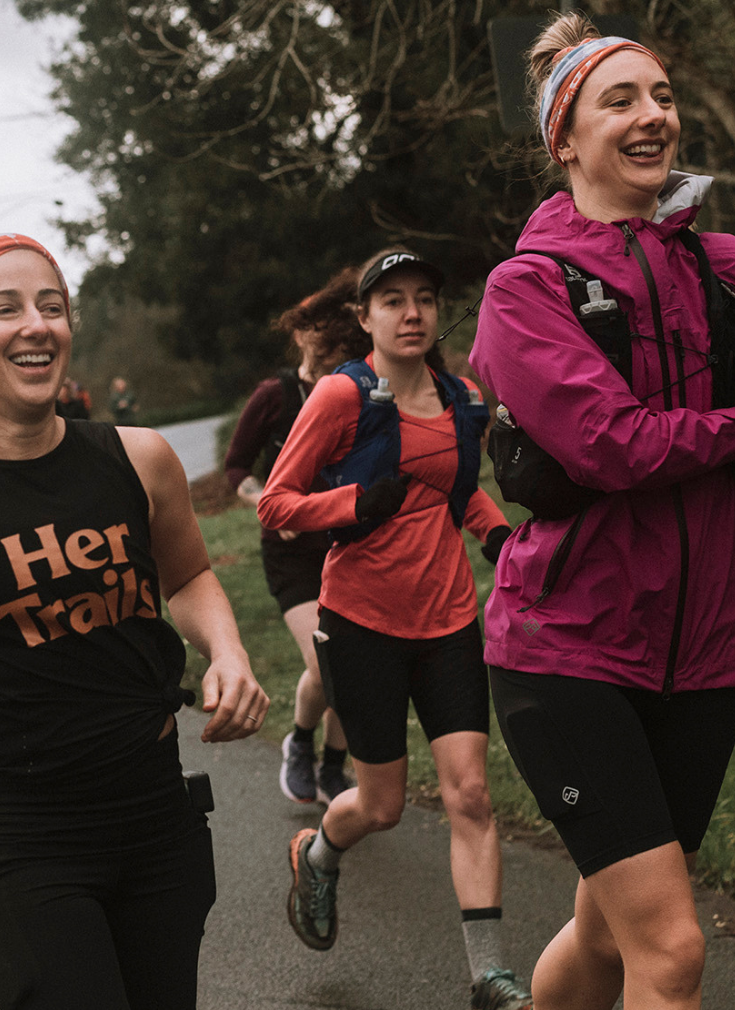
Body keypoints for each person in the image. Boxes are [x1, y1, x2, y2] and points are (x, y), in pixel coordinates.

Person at [0, 232, 268, 1010]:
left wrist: (228, 651)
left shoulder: (139, 459)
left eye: (53, 306)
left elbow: (191, 574)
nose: (38, 324)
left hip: (157, 821)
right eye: (6, 309)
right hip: (28, 839)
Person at [469, 14, 735, 1010]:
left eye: (662, 95)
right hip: (567, 654)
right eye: (620, 99)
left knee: (606, 926)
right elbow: (615, 446)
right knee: (669, 948)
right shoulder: (527, 287)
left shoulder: (717, 266)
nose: (653, 115)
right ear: (565, 139)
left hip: (704, 654)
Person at [258, 248, 529, 1009]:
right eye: (393, 301)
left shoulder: (462, 398)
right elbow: (275, 505)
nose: (411, 314)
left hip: (447, 619)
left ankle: (489, 975)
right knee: (380, 805)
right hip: (364, 620)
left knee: (470, 794)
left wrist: (497, 534)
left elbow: (460, 494)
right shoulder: (343, 399)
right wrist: (349, 508)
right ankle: (317, 852)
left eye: (424, 300)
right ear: (366, 317)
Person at [225, 268, 371, 805]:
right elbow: (236, 469)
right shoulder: (275, 394)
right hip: (291, 553)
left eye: (334, 327)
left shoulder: (356, 388)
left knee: (350, 668)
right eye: (314, 326)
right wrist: (269, 505)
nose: (324, 337)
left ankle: (333, 768)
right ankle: (300, 744)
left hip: (345, 546)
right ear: (300, 333)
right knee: (325, 662)